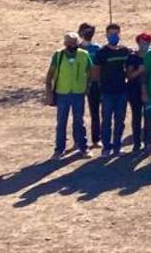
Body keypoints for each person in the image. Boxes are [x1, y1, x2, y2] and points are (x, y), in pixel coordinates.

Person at [46, 32, 92, 158]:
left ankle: (83, 147)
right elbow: (50, 75)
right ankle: (59, 149)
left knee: (79, 121)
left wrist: (87, 87)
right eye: (69, 43)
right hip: (62, 93)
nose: (72, 45)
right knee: (61, 122)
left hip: (78, 93)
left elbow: (90, 71)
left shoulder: (84, 55)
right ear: (65, 44)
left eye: (74, 43)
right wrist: (49, 92)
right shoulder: (58, 55)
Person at [92, 23, 132, 156]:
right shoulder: (101, 53)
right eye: (111, 34)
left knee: (120, 121)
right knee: (107, 120)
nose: (114, 36)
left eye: (116, 33)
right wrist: (100, 87)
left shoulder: (124, 51)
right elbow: (96, 72)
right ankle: (106, 148)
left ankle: (117, 146)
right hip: (107, 92)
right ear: (107, 35)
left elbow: (129, 68)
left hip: (121, 91)